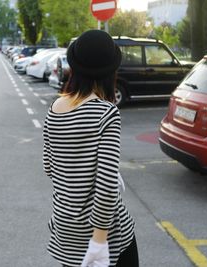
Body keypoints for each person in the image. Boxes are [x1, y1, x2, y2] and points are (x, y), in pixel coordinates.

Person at [43, 30, 139, 267]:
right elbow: (106, 185)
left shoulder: (54, 109)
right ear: (109, 72)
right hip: (106, 236)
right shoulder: (106, 113)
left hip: (66, 231)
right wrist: (98, 242)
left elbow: (49, 168)